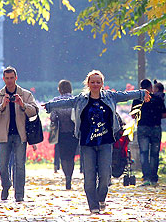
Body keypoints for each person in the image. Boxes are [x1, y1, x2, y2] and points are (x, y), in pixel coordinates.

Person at [43, 70, 150, 214]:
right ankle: (93, 205)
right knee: (89, 176)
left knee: (105, 175)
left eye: (98, 82)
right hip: (87, 144)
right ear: (88, 83)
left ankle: (101, 199)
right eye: (92, 82)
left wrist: (141, 94)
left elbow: (125, 95)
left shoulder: (110, 97)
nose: (95, 84)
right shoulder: (81, 99)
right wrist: (50, 106)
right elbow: (66, 102)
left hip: (106, 142)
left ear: (102, 84)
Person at [0, 66, 38, 202]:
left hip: (21, 135)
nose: (9, 81)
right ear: (3, 79)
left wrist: (23, 105)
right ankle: (6, 185)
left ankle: (19, 194)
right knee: (2, 164)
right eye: (7, 78)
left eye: (11, 78)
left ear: (16, 78)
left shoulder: (25, 94)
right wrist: (2, 106)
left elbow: (34, 110)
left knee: (20, 165)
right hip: (4, 135)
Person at [132, 79, 166, 186]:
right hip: (156, 128)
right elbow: (164, 115)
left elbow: (133, 115)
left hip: (142, 128)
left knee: (144, 152)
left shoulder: (137, 99)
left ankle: (146, 177)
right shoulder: (158, 99)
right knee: (154, 153)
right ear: (150, 88)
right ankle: (153, 178)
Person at [50, 79, 78, 190]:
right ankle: (69, 176)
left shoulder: (56, 101)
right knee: (71, 157)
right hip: (73, 132)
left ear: (59, 89)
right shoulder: (75, 100)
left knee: (63, 157)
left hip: (61, 132)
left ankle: (66, 175)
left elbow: (52, 117)